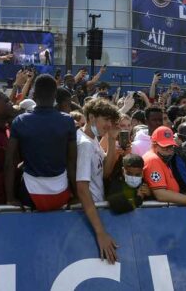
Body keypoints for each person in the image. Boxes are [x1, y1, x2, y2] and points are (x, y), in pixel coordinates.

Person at [5, 74, 76, 211]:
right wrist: (77, 194)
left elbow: (9, 163)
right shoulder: (68, 121)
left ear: (34, 94)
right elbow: (72, 162)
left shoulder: (20, 121)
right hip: (60, 192)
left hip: (29, 193)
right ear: (55, 94)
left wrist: (10, 198)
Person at [75, 98, 121, 263]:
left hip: (95, 211)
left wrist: (111, 139)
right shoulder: (84, 144)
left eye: (111, 120)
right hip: (88, 218)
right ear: (92, 117)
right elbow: (82, 187)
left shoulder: (92, 139)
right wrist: (100, 232)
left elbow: (105, 173)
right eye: (106, 119)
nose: (109, 124)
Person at [143, 126, 186, 205]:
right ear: (154, 145)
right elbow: (161, 195)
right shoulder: (153, 160)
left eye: (171, 146)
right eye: (165, 147)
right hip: (160, 213)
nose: (169, 151)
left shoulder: (160, 159)